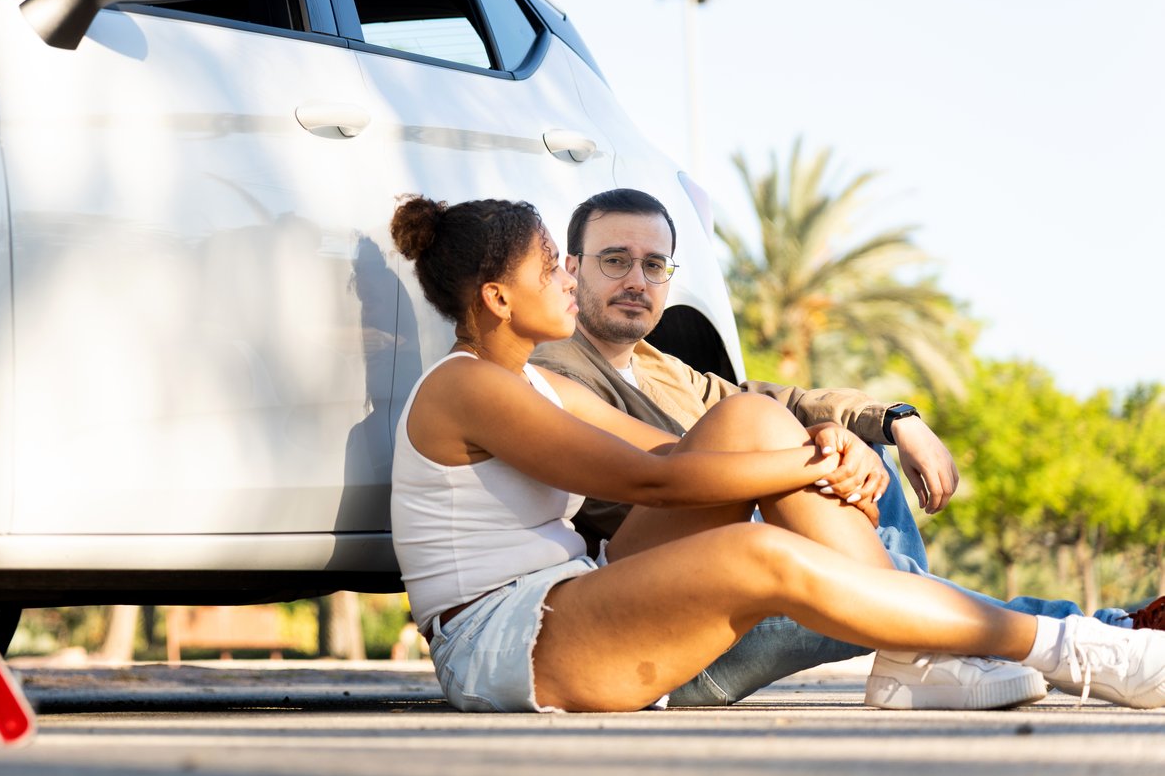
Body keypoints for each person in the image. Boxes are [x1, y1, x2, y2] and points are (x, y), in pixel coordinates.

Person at [388, 193, 1165, 714]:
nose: (568, 279)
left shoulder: (528, 385)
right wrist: (818, 465)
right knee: (761, 550)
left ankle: (912, 659)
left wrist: (819, 444)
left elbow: (686, 452)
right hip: (503, 642)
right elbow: (652, 481)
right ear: (496, 297)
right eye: (552, 266)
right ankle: (1085, 651)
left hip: (572, 596)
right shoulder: (470, 388)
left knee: (752, 419)